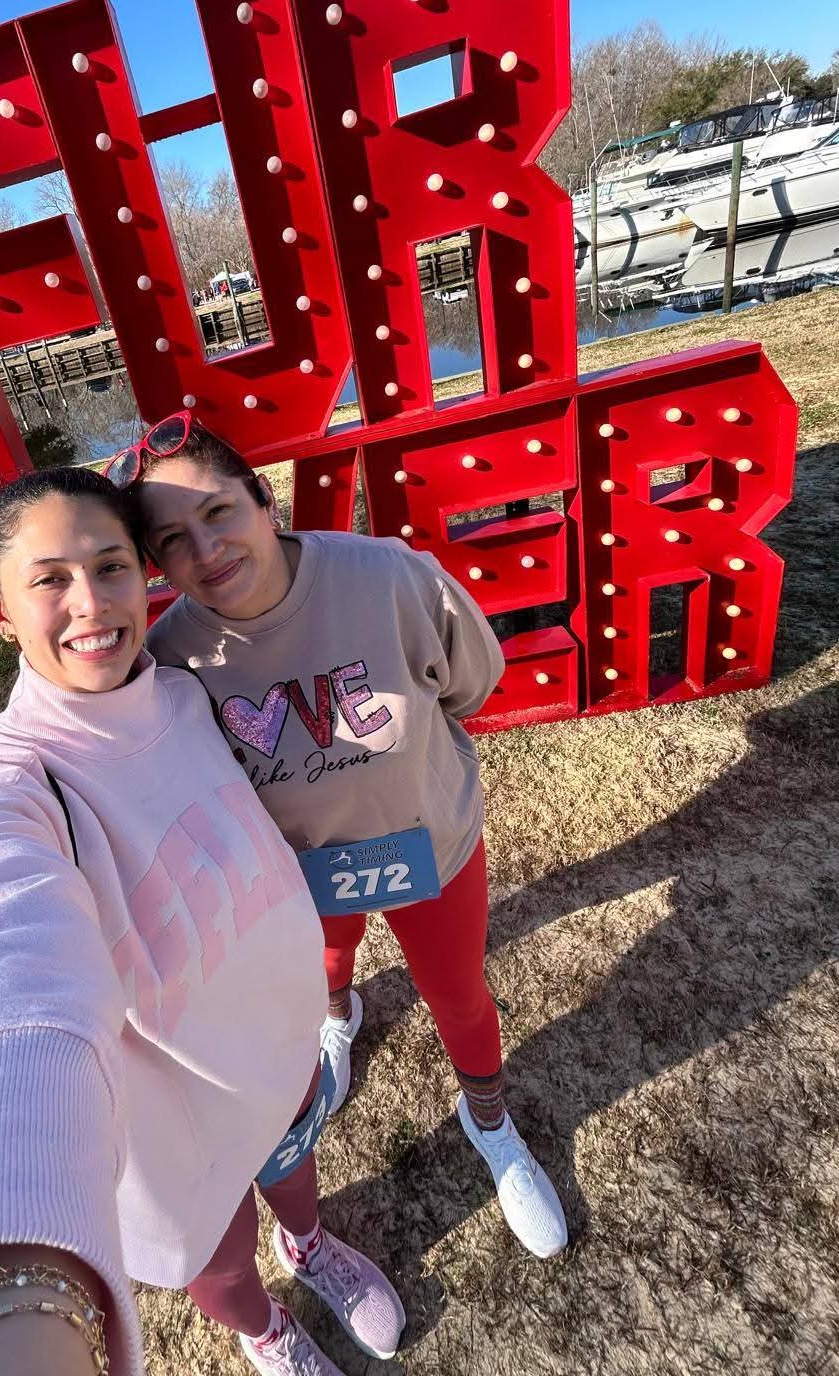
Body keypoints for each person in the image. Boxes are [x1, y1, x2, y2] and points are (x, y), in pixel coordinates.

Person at [0, 466, 405, 1376]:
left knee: (291, 1167)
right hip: (172, 1123)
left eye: (111, 566)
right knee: (219, 1258)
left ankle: (311, 1245)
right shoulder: (9, 788)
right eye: (49, 579)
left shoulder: (177, 685)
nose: (90, 604)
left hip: (274, 1050)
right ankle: (264, 1330)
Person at [120, 416, 568, 1261]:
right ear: (158, 564)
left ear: (263, 497)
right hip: (295, 876)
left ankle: (491, 1121)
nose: (207, 550)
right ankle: (339, 1018)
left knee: (458, 994)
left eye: (219, 512)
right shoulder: (174, 655)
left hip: (426, 843)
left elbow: (472, 682)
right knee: (327, 971)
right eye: (173, 541)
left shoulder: (389, 577)